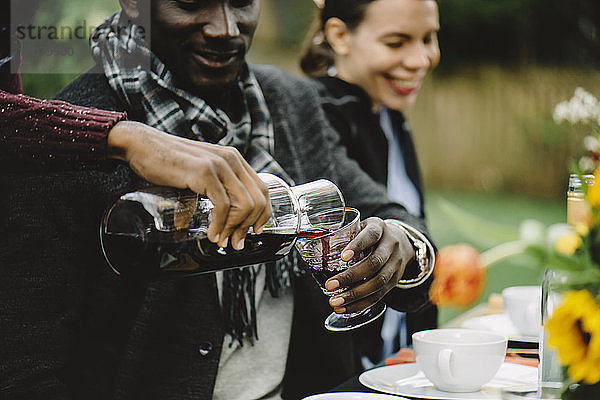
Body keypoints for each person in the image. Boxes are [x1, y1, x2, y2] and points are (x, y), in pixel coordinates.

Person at [1, 1, 435, 399]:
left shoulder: (289, 101)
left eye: (242, 1)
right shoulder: (68, 143)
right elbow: (26, 365)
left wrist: (402, 246)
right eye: (192, 2)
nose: (226, 28)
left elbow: (392, 217)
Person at [0, 0, 269, 249]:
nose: (225, 29)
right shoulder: (59, 176)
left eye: (242, 0)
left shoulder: (296, 101)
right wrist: (125, 140)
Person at [300, 0, 440, 365]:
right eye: (396, 43)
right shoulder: (311, 116)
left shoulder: (390, 115)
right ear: (339, 36)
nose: (420, 59)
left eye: (428, 38)